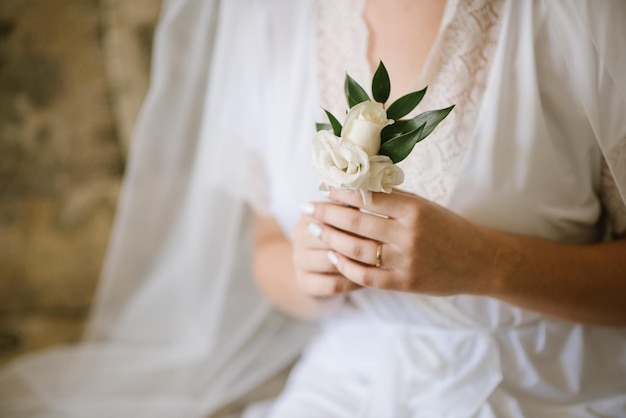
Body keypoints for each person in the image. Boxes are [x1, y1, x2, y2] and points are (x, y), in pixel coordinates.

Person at [1, 0, 625, 417]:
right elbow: (268, 248)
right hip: (345, 384)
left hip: (549, 384)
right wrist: (311, 272)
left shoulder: (577, 15)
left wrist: (485, 263)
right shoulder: (267, 17)